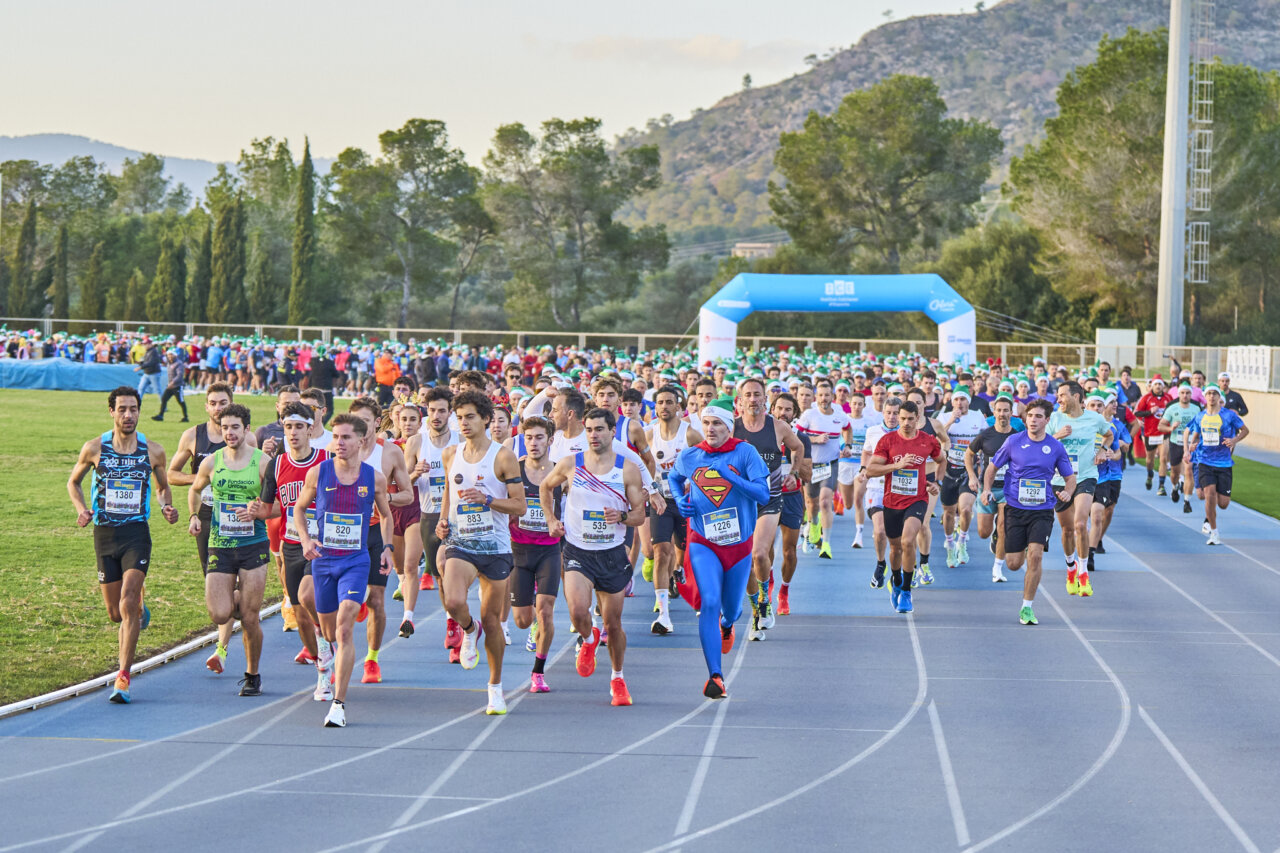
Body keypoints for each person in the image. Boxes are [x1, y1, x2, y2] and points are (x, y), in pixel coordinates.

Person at [67, 387, 180, 703]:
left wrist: (165, 507)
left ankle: (123, 677)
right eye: (122, 409)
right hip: (104, 535)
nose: (128, 415)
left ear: (139, 412)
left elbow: (162, 487)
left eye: (133, 409)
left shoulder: (153, 451)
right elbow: (72, 482)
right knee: (116, 613)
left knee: (129, 599)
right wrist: (82, 510)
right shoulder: (94, 448)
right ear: (112, 412)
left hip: (136, 534)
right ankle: (138, 611)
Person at [541, 407, 648, 707]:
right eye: (589, 429)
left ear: (613, 431)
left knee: (613, 624)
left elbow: (640, 515)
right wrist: (551, 519)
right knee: (577, 611)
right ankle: (588, 639)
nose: (593, 435)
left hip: (612, 554)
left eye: (599, 429)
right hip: (578, 551)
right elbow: (544, 487)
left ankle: (617, 678)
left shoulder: (627, 469)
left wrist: (623, 515)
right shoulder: (570, 464)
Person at [294, 414, 395, 727]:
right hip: (323, 560)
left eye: (346, 437)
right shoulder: (319, 472)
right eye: (336, 437)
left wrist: (388, 548)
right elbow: (298, 508)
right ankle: (327, 654)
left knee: (345, 626)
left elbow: (387, 516)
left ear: (361, 441)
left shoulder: (373, 477)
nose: (338, 443)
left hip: (355, 560)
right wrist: (306, 538)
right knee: (328, 631)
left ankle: (338, 704)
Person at [669, 398, 771, 698]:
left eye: (717, 423)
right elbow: (674, 478)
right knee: (709, 603)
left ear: (729, 426)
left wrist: (732, 477)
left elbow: (763, 494)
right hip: (704, 541)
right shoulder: (691, 455)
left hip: (739, 545)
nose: (710, 429)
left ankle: (728, 625)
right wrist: (680, 500)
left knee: (732, 610)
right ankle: (715, 676)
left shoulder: (745, 452)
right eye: (706, 423)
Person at [435, 391, 526, 714]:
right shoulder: (451, 454)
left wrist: (487, 500)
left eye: (470, 416)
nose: (464, 423)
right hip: (461, 543)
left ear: (486, 419)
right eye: (460, 417)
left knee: (493, 620)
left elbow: (520, 505)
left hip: (496, 547)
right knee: (454, 600)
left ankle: (495, 687)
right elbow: (448, 491)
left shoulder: (503, 457)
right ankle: (468, 629)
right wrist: (443, 521)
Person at [166, 383, 256, 671]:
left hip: (239, 517)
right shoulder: (193, 436)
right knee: (215, 581)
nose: (218, 407)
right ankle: (232, 618)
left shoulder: (245, 437)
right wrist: (202, 480)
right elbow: (171, 474)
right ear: (206, 406)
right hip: (207, 516)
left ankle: (222, 648)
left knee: (236, 582)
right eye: (213, 402)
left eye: (223, 402)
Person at [187, 403, 270, 696]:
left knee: (249, 619)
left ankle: (252, 675)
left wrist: (258, 512)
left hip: (253, 546)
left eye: (235, 427)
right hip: (220, 545)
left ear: (247, 429)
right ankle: (241, 596)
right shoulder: (212, 462)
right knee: (219, 614)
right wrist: (194, 515)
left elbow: (277, 509)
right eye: (225, 428)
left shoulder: (262, 462)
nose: (230, 433)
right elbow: (195, 489)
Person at [254, 401, 333, 698]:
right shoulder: (277, 464)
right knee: (300, 616)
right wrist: (255, 511)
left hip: (322, 545)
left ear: (311, 429)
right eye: (288, 426)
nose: (293, 432)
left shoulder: (326, 460)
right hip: (291, 544)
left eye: (299, 426)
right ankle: (322, 668)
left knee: (307, 595)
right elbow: (272, 507)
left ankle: (327, 642)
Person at [983, 399, 1076, 625]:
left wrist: (1068, 492)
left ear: (1047, 420)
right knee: (1014, 564)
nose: (1033, 420)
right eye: (1030, 416)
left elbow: (1070, 478)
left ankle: (1027, 608)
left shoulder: (1055, 446)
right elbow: (992, 467)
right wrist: (986, 489)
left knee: (1035, 556)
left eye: (1038, 416)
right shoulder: (1013, 441)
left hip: (1042, 510)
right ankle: (1004, 536)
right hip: (1015, 508)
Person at [345, 397, 414, 683]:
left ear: (377, 422)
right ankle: (337, 651)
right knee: (344, 601)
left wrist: (385, 497)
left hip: (376, 531)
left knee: (376, 599)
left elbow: (408, 495)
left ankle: (372, 660)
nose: (359, 427)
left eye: (365, 421)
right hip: (345, 533)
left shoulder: (391, 454)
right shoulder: (335, 450)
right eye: (354, 421)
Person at [733, 377, 805, 632]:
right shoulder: (732, 428)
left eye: (757, 395)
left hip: (769, 499)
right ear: (740, 400)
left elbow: (797, 448)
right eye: (748, 395)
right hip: (739, 502)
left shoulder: (778, 427)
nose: (753, 399)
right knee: (744, 562)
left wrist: (793, 472)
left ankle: (765, 598)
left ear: (766, 399)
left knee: (760, 554)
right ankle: (757, 606)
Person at [864, 401, 943, 613]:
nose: (906, 423)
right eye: (903, 418)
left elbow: (941, 459)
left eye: (911, 419)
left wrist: (936, 482)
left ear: (918, 418)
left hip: (917, 500)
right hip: (892, 501)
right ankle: (896, 579)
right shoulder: (888, 440)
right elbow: (871, 470)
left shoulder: (928, 441)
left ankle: (907, 591)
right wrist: (896, 465)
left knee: (909, 541)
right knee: (895, 548)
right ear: (898, 418)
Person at [404, 387, 460, 658]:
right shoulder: (416, 442)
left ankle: (461, 621)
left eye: (442, 410)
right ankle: (453, 622)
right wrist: (415, 472)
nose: (436, 416)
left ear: (451, 413)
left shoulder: (461, 440)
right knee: (440, 577)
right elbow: (402, 484)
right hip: (429, 516)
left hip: (458, 517)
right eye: (432, 410)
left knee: (455, 575)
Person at [508, 416, 561, 692]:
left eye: (539, 437)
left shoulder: (560, 473)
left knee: (546, 611)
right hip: (519, 552)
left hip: (550, 551)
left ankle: (538, 672)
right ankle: (532, 623)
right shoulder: (513, 471)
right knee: (522, 620)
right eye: (528, 437)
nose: (533, 443)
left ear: (550, 440)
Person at [646, 384, 702, 634]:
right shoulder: (649, 434)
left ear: (678, 407)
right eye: (660, 403)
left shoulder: (690, 434)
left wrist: (695, 483)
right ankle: (663, 614)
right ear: (655, 407)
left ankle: (696, 593)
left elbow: (707, 461)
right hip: (661, 502)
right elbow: (639, 465)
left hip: (687, 503)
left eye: (670, 402)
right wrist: (649, 490)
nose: (665, 407)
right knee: (660, 552)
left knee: (688, 554)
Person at [1048, 382, 1112, 598]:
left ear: (1076, 396)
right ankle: (1070, 568)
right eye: (1057, 396)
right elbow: (1041, 442)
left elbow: (1109, 435)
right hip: (1060, 478)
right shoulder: (1056, 419)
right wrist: (1056, 436)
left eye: (1062, 396)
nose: (1058, 400)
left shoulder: (1094, 418)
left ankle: (1084, 573)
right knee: (1066, 530)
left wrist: (1102, 450)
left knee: (1080, 523)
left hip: (1085, 476)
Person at [1183, 385, 1249, 545]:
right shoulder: (1200, 417)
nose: (1212, 396)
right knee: (1209, 494)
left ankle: (1212, 522)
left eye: (1214, 393)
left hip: (1224, 463)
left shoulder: (1229, 416)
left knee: (1223, 503)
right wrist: (1188, 449)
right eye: (1209, 394)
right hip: (1205, 461)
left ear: (1219, 397)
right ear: (1205, 397)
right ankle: (1214, 532)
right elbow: (1191, 432)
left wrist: (1234, 440)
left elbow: (1245, 430)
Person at [796, 381, 852, 558]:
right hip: (811, 465)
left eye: (827, 395)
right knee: (811, 504)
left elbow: (847, 429)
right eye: (820, 395)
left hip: (831, 463)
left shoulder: (839, 414)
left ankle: (826, 543)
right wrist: (815, 439)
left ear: (832, 396)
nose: (823, 398)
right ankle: (813, 526)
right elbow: (797, 435)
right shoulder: (809, 414)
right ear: (815, 397)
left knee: (826, 501)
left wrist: (848, 445)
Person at [769, 393, 811, 617]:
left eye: (788, 410)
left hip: (792, 497)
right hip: (768, 496)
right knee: (764, 549)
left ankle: (784, 591)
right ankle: (768, 580)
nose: (783, 413)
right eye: (779, 409)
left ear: (795, 413)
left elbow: (809, 474)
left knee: (789, 551)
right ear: (772, 410)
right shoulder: (765, 434)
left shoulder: (801, 439)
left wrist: (793, 467)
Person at [940, 388, 987, 569]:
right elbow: (938, 437)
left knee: (966, 509)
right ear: (952, 402)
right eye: (957, 399)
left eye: (963, 399)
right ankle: (950, 544)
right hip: (950, 470)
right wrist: (952, 420)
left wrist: (981, 464)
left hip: (970, 471)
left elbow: (984, 441)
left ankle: (962, 542)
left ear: (969, 401)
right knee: (949, 513)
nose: (960, 403)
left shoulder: (977, 416)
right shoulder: (945, 417)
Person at [1090, 393, 1131, 565]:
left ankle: (1096, 540)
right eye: (1111, 402)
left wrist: (1115, 451)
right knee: (1084, 517)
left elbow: (1123, 449)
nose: (1115, 405)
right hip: (1084, 476)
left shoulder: (1116, 426)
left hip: (1110, 475)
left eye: (1115, 401)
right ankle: (1090, 537)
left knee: (1107, 510)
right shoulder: (1082, 426)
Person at [1159, 383, 1201, 511]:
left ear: (1191, 394)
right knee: (1174, 473)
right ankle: (1175, 486)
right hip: (1176, 443)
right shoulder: (1172, 408)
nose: (1185, 395)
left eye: (1187, 393)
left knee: (1189, 470)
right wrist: (1171, 428)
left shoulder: (1196, 409)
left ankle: (1187, 501)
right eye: (1182, 393)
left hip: (1191, 444)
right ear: (1179, 394)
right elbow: (1160, 426)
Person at [1135, 377, 1173, 493]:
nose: (1158, 387)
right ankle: (1150, 475)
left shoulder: (1168, 398)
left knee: (1163, 458)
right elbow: (1137, 412)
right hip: (1150, 433)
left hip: (1164, 432)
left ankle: (1161, 485)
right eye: (1155, 384)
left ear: (1163, 386)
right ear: (1152, 386)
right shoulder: (1146, 398)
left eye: (1160, 385)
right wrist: (1149, 412)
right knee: (1149, 460)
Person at [151, 350, 189, 422]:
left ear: (175, 355)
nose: (170, 356)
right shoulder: (169, 363)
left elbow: (179, 375)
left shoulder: (178, 363)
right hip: (170, 386)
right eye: (168, 355)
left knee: (180, 401)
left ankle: (185, 417)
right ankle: (160, 415)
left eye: (171, 354)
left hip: (177, 386)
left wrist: (172, 383)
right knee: (164, 399)